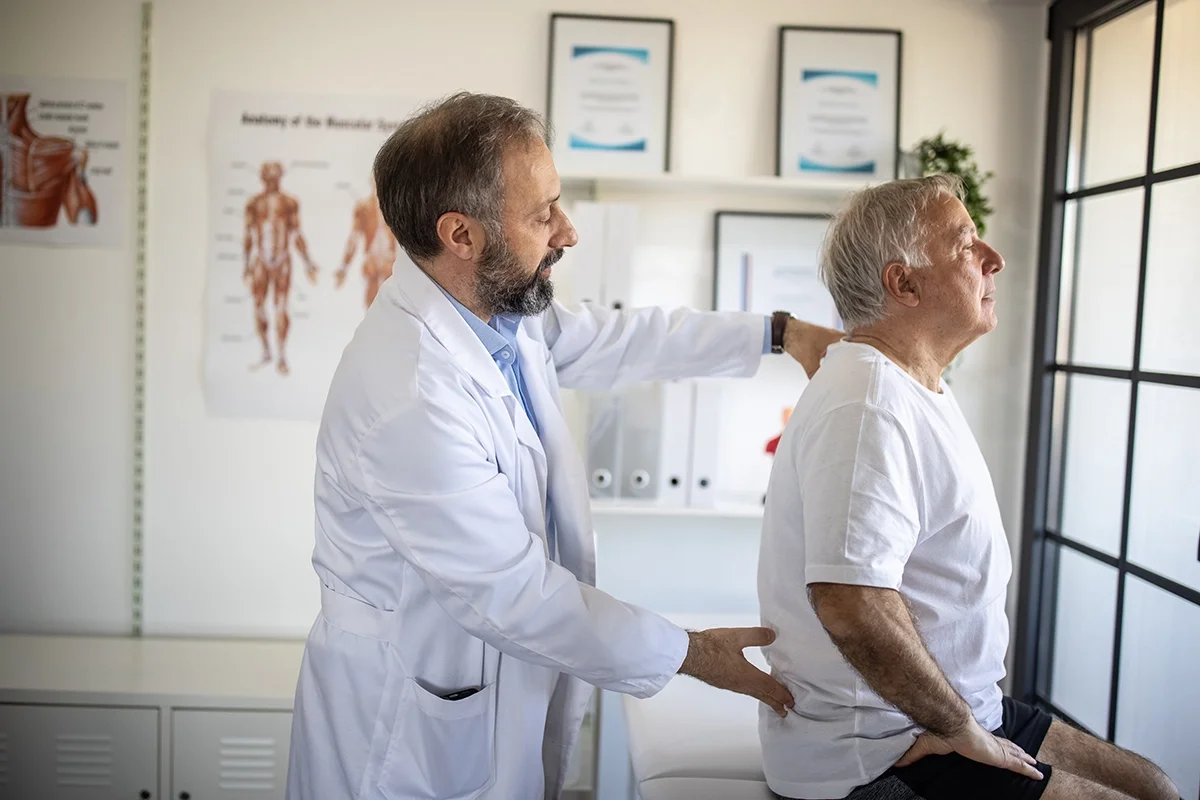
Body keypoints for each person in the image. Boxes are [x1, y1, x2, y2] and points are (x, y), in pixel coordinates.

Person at [284, 92, 843, 800]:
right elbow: (516, 597)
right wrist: (691, 653)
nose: (568, 231)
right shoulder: (409, 396)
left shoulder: (499, 321)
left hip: (483, 687)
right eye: (542, 213)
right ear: (461, 235)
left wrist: (777, 331)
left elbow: (620, 339)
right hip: (402, 737)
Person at [757, 175, 1181, 800]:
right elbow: (851, 602)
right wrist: (956, 725)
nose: (994, 260)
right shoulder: (868, 403)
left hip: (955, 710)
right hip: (885, 749)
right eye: (965, 245)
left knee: (1154, 786)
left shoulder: (913, 384)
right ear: (903, 284)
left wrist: (965, 715)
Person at [243, 160, 318, 375]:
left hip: (283, 259)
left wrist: (308, 262)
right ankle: (267, 350)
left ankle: (282, 355)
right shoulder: (254, 203)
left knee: (281, 307)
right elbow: (248, 235)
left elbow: (296, 233)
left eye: (275, 178)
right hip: (261, 260)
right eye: (268, 178)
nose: (271, 182)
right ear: (263, 178)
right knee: (258, 306)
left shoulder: (289, 202)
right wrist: (246, 265)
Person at [335, 172, 397, 310]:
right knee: (373, 305)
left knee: (388, 307)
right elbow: (354, 239)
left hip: (389, 261)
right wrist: (343, 268)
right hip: (374, 260)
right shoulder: (364, 207)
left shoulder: (395, 208)